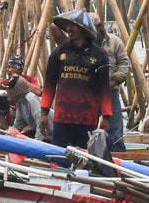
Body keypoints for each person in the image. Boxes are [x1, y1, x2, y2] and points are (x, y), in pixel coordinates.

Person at [40, 11, 111, 148]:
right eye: (67, 26)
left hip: (88, 118)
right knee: (59, 157)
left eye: (73, 26)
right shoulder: (59, 52)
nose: (69, 29)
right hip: (62, 116)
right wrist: (44, 112)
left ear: (84, 29)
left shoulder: (99, 55)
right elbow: (49, 85)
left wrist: (107, 117)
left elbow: (104, 89)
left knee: (84, 160)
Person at [89, 12, 132, 152]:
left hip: (110, 92)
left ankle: (118, 157)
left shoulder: (114, 42)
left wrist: (113, 82)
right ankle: (89, 154)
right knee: (87, 128)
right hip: (88, 94)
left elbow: (124, 64)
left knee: (115, 130)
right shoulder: (84, 44)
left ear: (100, 26)